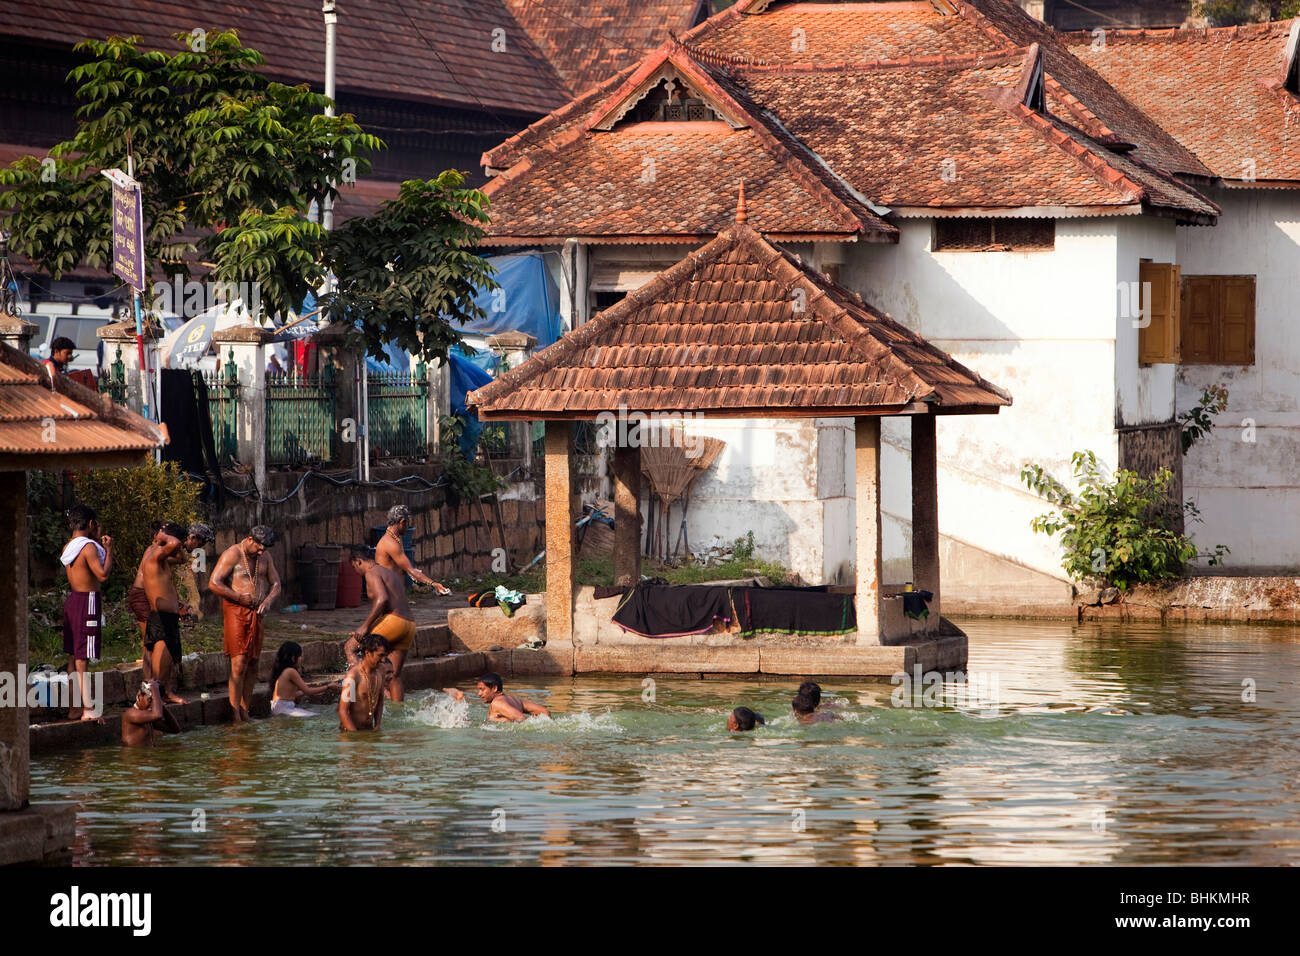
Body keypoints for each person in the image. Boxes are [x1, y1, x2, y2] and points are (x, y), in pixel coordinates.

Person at [208, 525, 281, 723]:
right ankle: (235, 714)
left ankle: (245, 710)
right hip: (235, 611)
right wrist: (239, 598)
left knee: (253, 662)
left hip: (257, 612)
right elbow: (214, 583)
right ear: (250, 539)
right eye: (259, 547)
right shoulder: (232, 554)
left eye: (264, 549)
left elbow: (276, 583)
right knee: (239, 662)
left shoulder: (265, 557)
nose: (261, 552)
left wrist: (267, 601)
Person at [60, 505, 112, 720]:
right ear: (91, 524)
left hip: (73, 600)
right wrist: (110, 550)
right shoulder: (88, 547)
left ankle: (74, 708)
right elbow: (102, 575)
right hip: (87, 600)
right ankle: (88, 708)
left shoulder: (69, 546)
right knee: (82, 658)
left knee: (74, 657)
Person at [344, 547, 417, 702]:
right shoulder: (388, 572)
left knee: (351, 647)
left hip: (394, 621)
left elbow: (382, 599)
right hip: (409, 625)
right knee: (394, 675)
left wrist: (365, 626)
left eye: (354, 567)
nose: (355, 571)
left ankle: (358, 695)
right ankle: (398, 712)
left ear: (358, 562)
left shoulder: (371, 572)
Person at [141, 521, 191, 705]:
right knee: (159, 668)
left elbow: (181, 558)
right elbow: (175, 545)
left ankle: (163, 695)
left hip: (168, 617)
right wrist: (163, 536)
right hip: (161, 618)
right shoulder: (154, 555)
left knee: (169, 662)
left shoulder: (161, 557)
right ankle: (151, 701)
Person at [376, 505, 450, 594]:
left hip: (395, 593)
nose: (408, 527)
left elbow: (405, 568)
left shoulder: (396, 538)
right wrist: (434, 584)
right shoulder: (390, 543)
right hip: (388, 594)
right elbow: (410, 570)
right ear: (402, 522)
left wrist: (416, 576)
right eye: (407, 523)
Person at [443, 673, 550, 722]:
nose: (479, 694)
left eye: (482, 689)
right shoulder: (515, 699)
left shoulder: (497, 703)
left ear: (494, 688)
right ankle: (459, 701)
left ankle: (459, 700)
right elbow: (545, 711)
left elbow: (521, 719)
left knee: (460, 723)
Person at [339, 634, 390, 732]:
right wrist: (355, 735)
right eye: (380, 655)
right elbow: (343, 711)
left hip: (369, 730)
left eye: (385, 655)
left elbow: (380, 700)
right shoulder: (353, 676)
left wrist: (377, 725)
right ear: (367, 653)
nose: (383, 660)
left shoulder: (381, 671)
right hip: (350, 732)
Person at [269, 642, 330, 717]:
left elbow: (288, 695)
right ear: (293, 658)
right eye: (300, 656)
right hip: (283, 710)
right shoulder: (291, 671)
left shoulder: (283, 670)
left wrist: (303, 692)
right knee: (317, 717)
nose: (302, 658)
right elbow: (308, 691)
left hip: (278, 708)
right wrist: (328, 686)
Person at [121, 680, 180, 747]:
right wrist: (154, 688)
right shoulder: (131, 714)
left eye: (155, 703)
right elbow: (157, 715)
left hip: (147, 755)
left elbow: (175, 730)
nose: (153, 706)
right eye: (149, 700)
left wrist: (161, 705)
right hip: (136, 756)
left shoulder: (149, 717)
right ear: (139, 697)